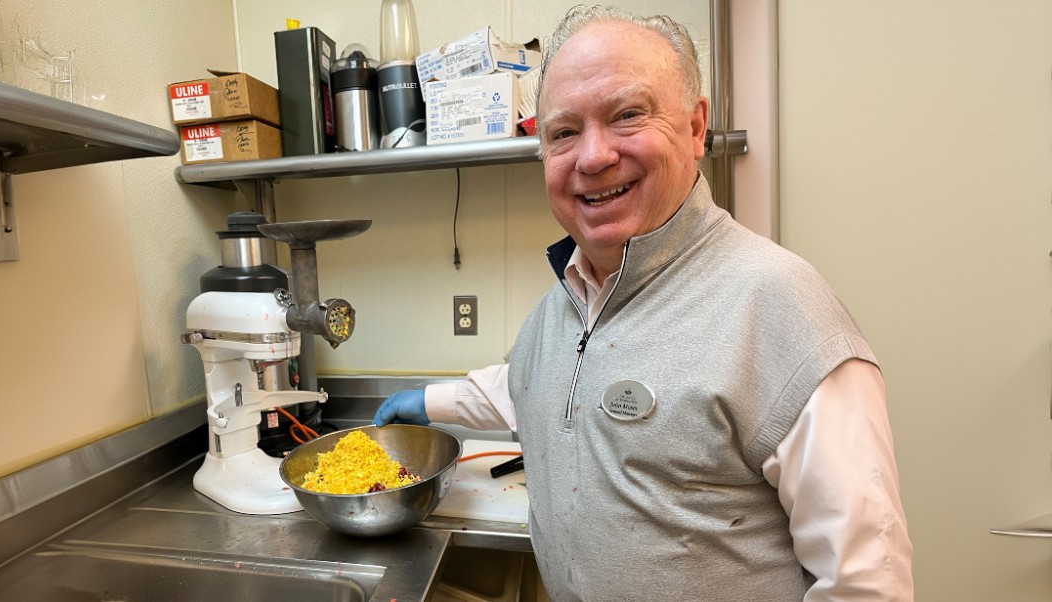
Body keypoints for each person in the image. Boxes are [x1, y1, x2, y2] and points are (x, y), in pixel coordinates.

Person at [373, 5, 913, 601]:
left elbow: (865, 580)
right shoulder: (566, 301)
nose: (593, 157)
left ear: (695, 128)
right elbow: (534, 385)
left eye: (627, 115)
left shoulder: (779, 306)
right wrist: (428, 401)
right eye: (564, 132)